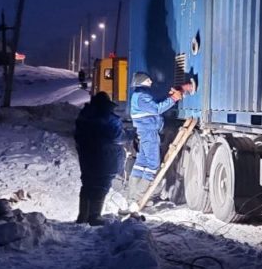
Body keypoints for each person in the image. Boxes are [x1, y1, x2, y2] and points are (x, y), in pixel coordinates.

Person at [125, 72, 182, 213]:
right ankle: (139, 196)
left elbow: (154, 104)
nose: (151, 80)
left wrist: (168, 96)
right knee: (153, 164)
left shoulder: (140, 95)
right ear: (142, 82)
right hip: (149, 133)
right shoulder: (142, 97)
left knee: (141, 164)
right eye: (148, 79)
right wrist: (174, 98)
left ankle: (132, 198)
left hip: (146, 132)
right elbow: (157, 108)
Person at [74, 92, 126, 224]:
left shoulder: (85, 115)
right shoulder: (109, 119)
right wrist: (130, 135)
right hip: (105, 158)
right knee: (101, 185)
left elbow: (78, 135)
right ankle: (94, 216)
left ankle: (83, 216)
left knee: (88, 184)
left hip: (87, 156)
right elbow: (118, 137)